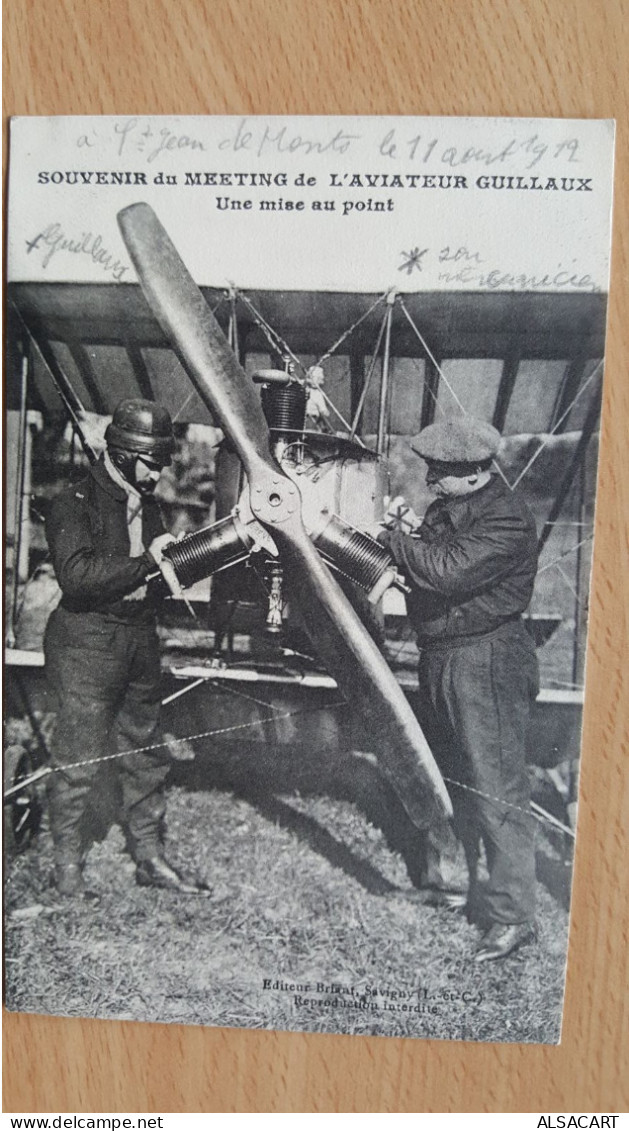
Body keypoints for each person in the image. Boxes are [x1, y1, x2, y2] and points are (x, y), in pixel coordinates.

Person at [378, 417, 539, 961]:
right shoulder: (451, 508)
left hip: (485, 660)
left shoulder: (507, 521)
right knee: (462, 783)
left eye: (440, 474)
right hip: (445, 658)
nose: (429, 482)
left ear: (474, 474)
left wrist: (397, 541)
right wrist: (411, 539)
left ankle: (514, 917)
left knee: (497, 790)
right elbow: (431, 561)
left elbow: (444, 572)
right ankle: (478, 895)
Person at [44, 398, 209, 898]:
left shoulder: (150, 503)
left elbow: (154, 567)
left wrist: (183, 562)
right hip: (86, 642)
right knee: (78, 755)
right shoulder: (73, 501)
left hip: (137, 637)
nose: (159, 473)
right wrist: (147, 564)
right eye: (151, 461)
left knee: (145, 751)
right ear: (121, 452)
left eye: (162, 463)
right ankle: (67, 865)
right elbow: (77, 577)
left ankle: (149, 857)